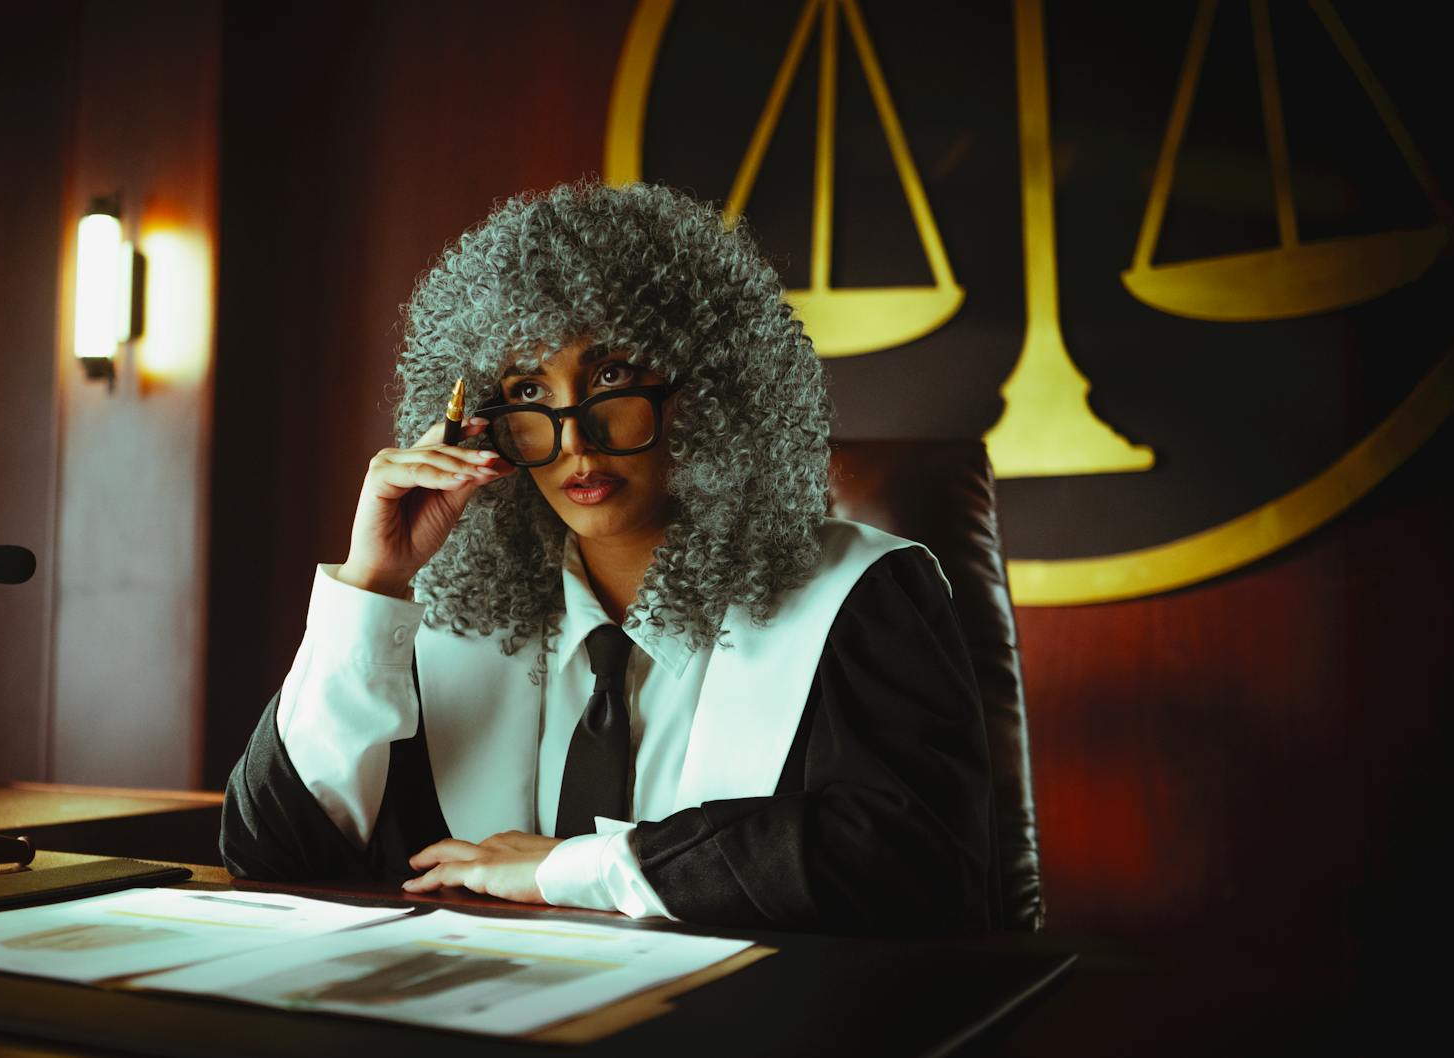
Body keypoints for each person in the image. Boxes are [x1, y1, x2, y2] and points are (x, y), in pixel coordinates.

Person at [221, 180, 997, 937]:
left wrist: (575, 868)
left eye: (612, 376)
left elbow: (914, 866)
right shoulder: (445, 625)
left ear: (707, 387)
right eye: (529, 389)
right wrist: (373, 584)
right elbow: (274, 856)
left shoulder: (862, 597)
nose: (573, 439)